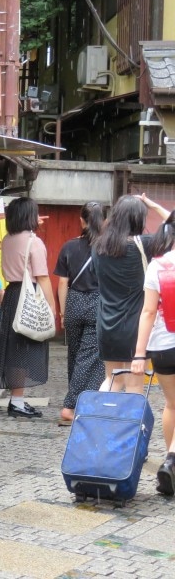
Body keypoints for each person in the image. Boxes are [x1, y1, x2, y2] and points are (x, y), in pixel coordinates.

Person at [93, 194, 169, 394]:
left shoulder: (99, 246)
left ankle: (103, 421)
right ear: (138, 218)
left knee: (111, 379)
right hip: (135, 324)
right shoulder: (145, 244)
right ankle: (132, 426)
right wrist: (152, 204)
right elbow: (173, 224)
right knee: (134, 384)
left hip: (106, 322)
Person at [0, 197, 55, 419]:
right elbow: (43, 278)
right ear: (29, 216)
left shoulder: (7, 239)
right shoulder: (34, 243)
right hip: (31, 296)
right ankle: (17, 401)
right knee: (28, 348)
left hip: (13, 295)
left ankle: (17, 400)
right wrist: (51, 309)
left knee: (15, 350)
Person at [131, 211, 175, 495]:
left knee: (172, 404)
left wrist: (138, 355)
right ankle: (171, 459)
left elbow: (147, 312)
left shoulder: (157, 266)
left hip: (161, 347)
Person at [53, 202, 105, 426]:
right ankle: (73, 406)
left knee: (75, 355)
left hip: (73, 301)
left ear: (82, 220)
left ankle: (75, 405)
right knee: (91, 358)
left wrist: (63, 312)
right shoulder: (107, 247)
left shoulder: (69, 246)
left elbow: (62, 282)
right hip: (97, 302)